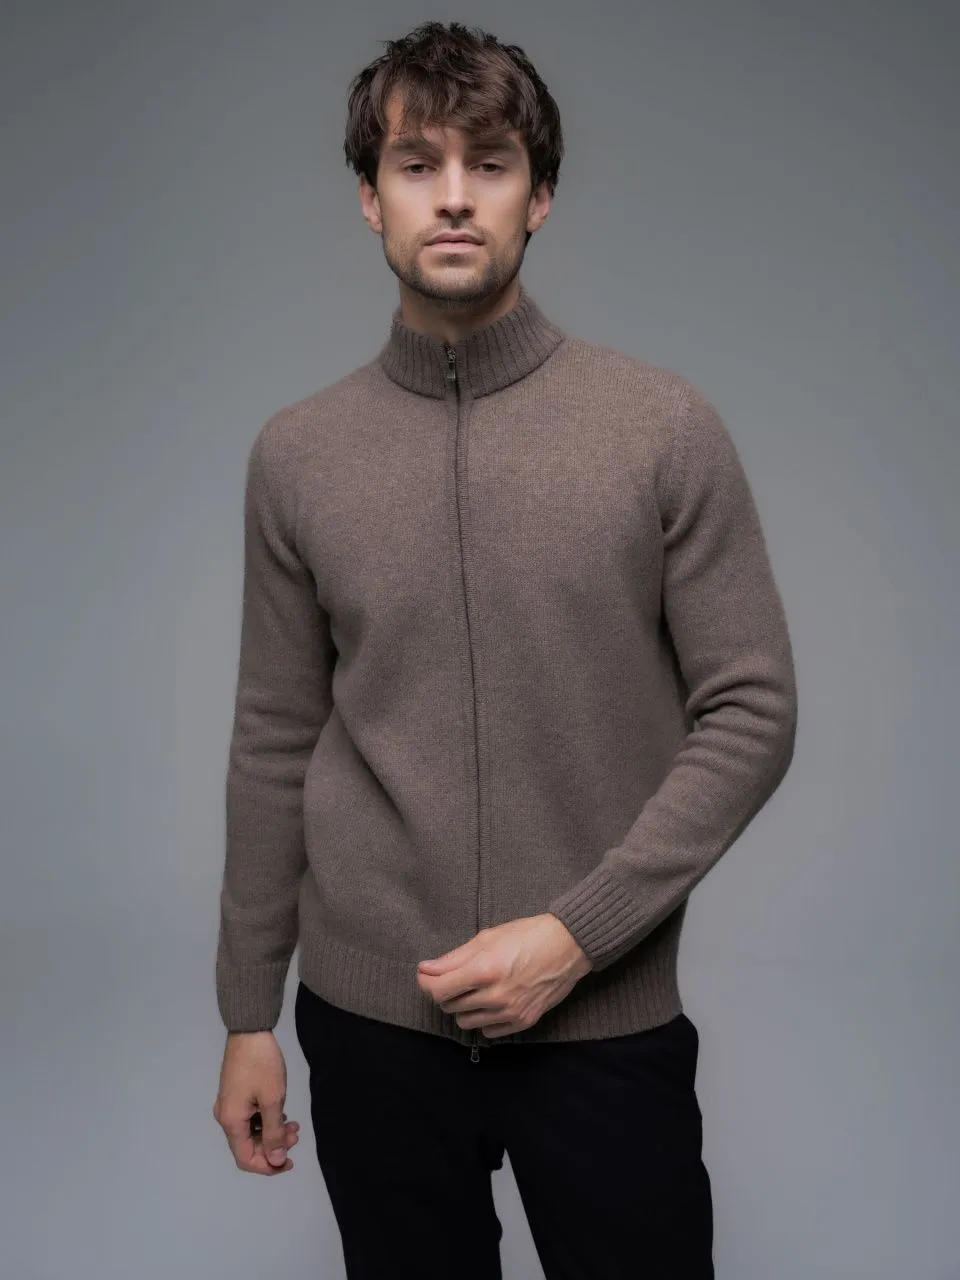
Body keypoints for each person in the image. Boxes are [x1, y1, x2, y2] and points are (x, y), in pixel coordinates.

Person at [211, 19, 798, 1280]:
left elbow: (752, 708)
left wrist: (577, 935)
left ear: (541, 198)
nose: (455, 196)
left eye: (490, 164)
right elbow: (274, 737)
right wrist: (248, 1012)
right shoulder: (297, 455)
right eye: (417, 164)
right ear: (368, 198)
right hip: (371, 1023)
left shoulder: (661, 428)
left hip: (601, 1013)